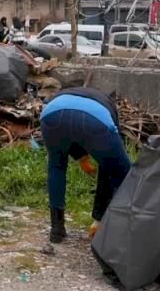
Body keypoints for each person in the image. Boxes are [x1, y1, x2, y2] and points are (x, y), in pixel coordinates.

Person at [40, 87, 131, 243]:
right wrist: (99, 216)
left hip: (51, 113)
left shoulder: (66, 93)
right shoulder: (108, 106)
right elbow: (109, 166)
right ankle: (119, 229)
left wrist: (81, 157)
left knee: (56, 166)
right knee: (124, 174)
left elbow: (69, 123)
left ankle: (57, 229)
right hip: (94, 120)